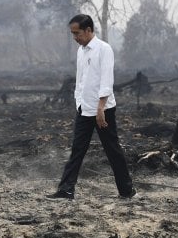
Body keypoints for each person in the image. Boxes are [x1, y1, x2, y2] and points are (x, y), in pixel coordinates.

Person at [47, 14, 135, 200]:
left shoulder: (104, 49)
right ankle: (66, 190)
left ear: (88, 30)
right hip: (84, 109)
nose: (75, 37)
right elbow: (80, 80)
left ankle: (127, 191)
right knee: (77, 150)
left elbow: (106, 81)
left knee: (113, 150)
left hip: (103, 110)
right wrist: (78, 101)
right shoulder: (81, 51)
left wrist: (101, 108)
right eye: (72, 34)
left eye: (77, 33)